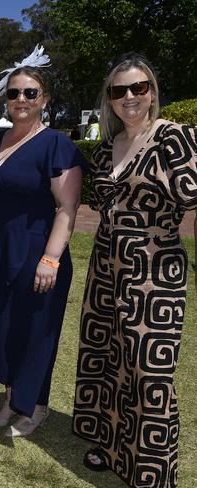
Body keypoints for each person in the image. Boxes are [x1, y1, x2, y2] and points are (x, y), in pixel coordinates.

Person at [73, 54, 197, 488]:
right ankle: (109, 446)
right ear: (109, 99)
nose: (129, 97)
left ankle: (153, 470)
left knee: (149, 370)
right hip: (106, 265)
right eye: (119, 90)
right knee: (108, 359)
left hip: (154, 270)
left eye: (138, 88)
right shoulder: (106, 147)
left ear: (152, 92)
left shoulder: (173, 137)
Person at [0, 46, 86, 437]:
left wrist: (51, 258)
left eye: (30, 93)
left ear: (44, 100)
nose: (21, 100)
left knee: (35, 330)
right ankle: (10, 398)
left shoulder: (57, 144)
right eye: (14, 93)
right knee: (2, 324)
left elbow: (67, 207)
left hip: (37, 250)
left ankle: (35, 406)